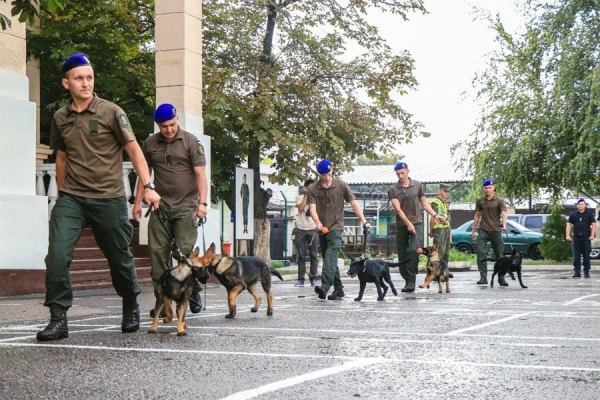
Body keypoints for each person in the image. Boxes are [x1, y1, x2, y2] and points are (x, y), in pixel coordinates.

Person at [37, 53, 161, 341]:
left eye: (89, 77)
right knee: (56, 256)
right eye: (79, 78)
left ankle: (130, 303)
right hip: (72, 199)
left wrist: (149, 186)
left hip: (109, 198)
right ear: (66, 83)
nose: (86, 83)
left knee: (119, 259)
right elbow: (62, 158)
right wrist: (63, 193)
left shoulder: (110, 112)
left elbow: (134, 151)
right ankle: (58, 318)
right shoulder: (60, 117)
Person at [132, 103, 208, 317]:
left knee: (184, 254)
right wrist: (137, 204)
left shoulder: (191, 142)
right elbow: (144, 176)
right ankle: (162, 304)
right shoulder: (150, 143)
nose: (169, 129)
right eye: (164, 126)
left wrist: (202, 203)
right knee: (157, 257)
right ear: (158, 125)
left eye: (172, 125)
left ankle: (192, 292)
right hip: (160, 207)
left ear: (177, 121)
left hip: (186, 206)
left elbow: (201, 175)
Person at [307, 160, 371, 300]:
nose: (327, 177)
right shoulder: (313, 189)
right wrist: (317, 222)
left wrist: (364, 221)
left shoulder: (341, 186)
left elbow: (354, 204)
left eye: (329, 174)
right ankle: (339, 289)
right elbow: (312, 209)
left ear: (332, 171)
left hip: (336, 226)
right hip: (322, 227)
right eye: (324, 175)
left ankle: (324, 286)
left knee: (331, 254)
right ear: (319, 174)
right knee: (330, 258)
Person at [388, 162, 446, 292]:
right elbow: (398, 209)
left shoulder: (417, 185)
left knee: (414, 249)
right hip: (402, 224)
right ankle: (407, 279)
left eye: (402, 173)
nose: (400, 176)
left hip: (417, 222)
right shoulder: (393, 189)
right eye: (398, 174)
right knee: (402, 254)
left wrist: (436, 216)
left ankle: (412, 279)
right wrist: (408, 224)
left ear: (408, 171)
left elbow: (425, 204)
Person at [472, 178, 507, 285]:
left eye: (490, 188)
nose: (488, 190)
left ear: (494, 188)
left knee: (500, 254)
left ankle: (501, 278)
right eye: (486, 188)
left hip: (496, 230)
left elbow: (504, 213)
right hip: (483, 230)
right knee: (481, 253)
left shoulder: (500, 200)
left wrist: (504, 224)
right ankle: (483, 277)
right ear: (484, 189)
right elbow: (477, 215)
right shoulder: (480, 201)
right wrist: (473, 230)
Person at [294, 179, 319, 287]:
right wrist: (306, 196)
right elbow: (300, 209)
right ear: (305, 188)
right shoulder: (300, 197)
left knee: (314, 255)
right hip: (301, 228)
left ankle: (313, 278)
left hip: (313, 228)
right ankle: (301, 279)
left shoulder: (318, 199)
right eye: (309, 188)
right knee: (301, 255)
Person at [566, 198, 595, 278]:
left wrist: (592, 235)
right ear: (577, 205)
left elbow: (593, 225)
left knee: (586, 255)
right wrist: (568, 235)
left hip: (586, 238)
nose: (580, 206)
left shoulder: (589, 214)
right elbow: (569, 225)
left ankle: (586, 272)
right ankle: (577, 272)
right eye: (579, 205)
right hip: (576, 238)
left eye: (582, 205)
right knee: (576, 256)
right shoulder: (573, 214)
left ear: (585, 205)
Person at [429, 184, 451, 272]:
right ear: (440, 191)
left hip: (445, 230)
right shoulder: (435, 202)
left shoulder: (443, 202)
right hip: (439, 231)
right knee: (438, 253)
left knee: (446, 253)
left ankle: (443, 272)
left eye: (448, 192)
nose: (447, 194)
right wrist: (431, 231)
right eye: (445, 191)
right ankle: (435, 272)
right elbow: (432, 218)